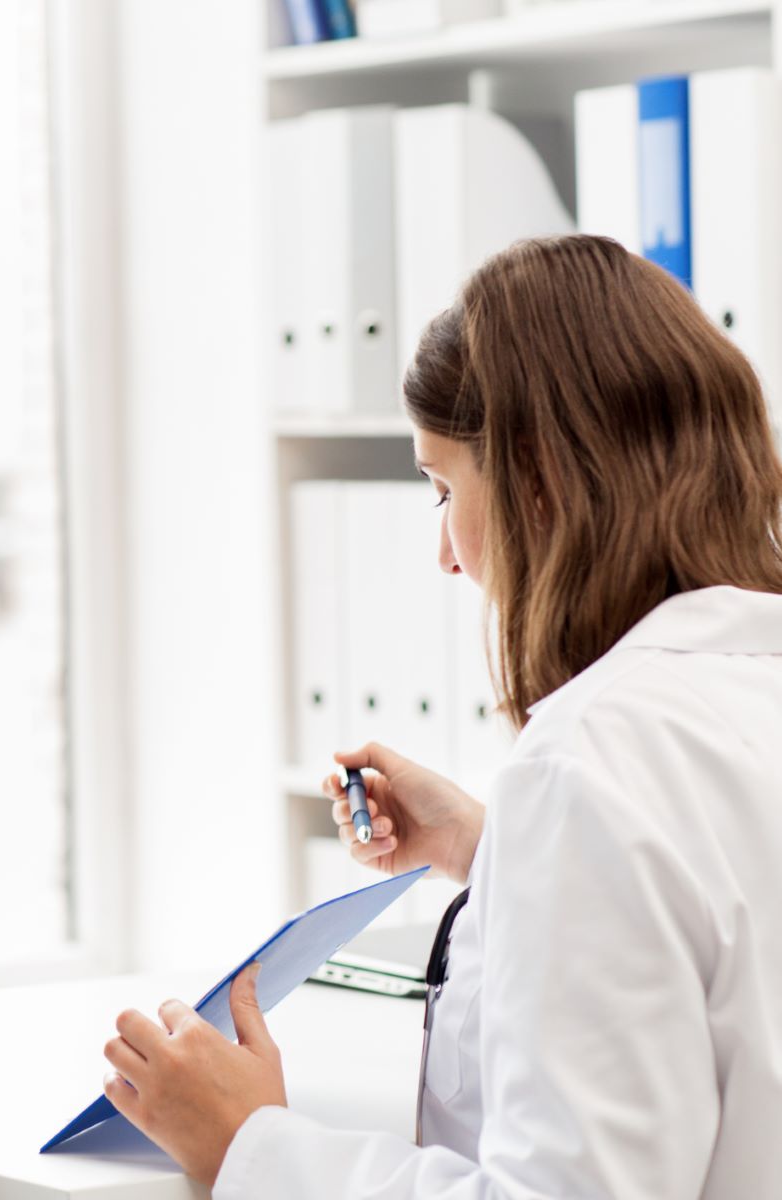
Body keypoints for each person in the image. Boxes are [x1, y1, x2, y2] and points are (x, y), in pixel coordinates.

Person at [99, 234, 782, 1196]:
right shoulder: (730, 696)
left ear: (540, 480)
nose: (447, 555)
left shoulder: (592, 760)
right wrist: (494, 851)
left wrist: (249, 1144)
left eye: (444, 487)